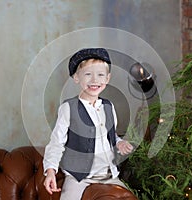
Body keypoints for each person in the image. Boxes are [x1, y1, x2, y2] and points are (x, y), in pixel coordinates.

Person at [43, 48, 134, 200]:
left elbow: (110, 136)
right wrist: (50, 171)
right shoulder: (68, 108)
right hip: (79, 178)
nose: (94, 80)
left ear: (107, 78)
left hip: (109, 175)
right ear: (76, 77)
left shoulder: (109, 106)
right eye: (87, 74)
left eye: (100, 75)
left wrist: (120, 143)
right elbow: (56, 143)